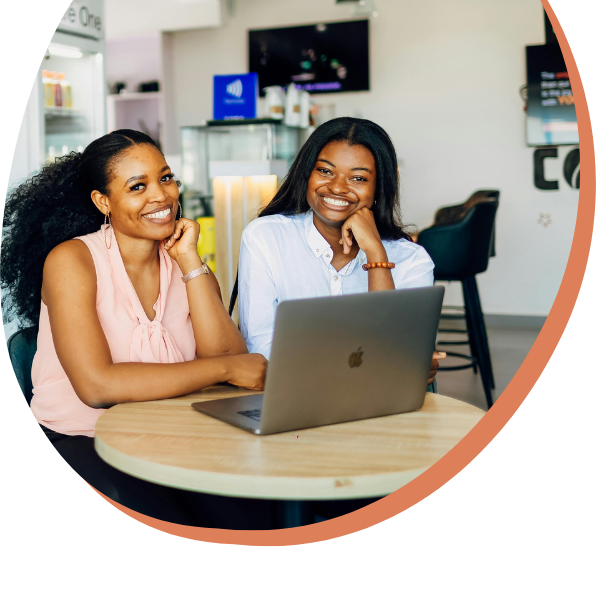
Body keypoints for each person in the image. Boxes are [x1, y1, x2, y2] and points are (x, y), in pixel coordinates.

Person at [0, 129, 273, 529]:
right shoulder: (72, 260)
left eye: (165, 178)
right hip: (83, 439)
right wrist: (225, 372)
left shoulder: (184, 262)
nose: (160, 195)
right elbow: (98, 387)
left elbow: (231, 359)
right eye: (137, 186)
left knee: (254, 511)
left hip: (172, 433)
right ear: (103, 201)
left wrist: (189, 261)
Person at [230, 117, 446, 521]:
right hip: (292, 416)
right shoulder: (265, 236)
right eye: (325, 171)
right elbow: (262, 348)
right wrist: (389, 365)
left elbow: (395, 366)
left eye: (358, 177)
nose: (337, 188)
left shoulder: (413, 260)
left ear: (380, 186)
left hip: (382, 421)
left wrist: (374, 252)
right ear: (306, 172)